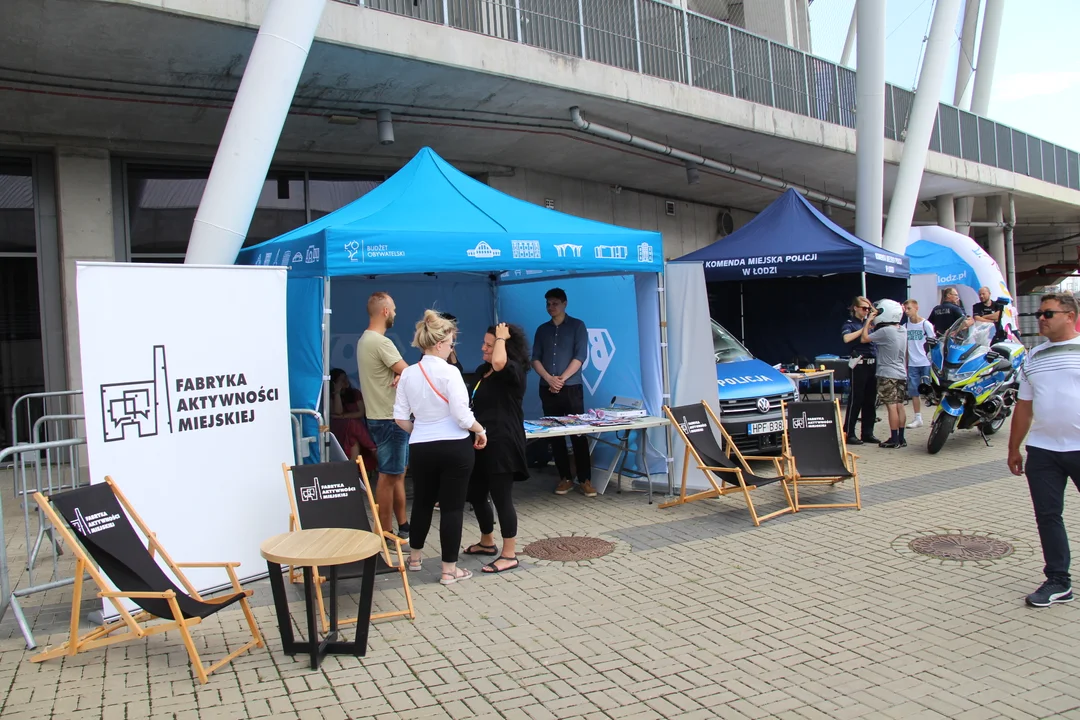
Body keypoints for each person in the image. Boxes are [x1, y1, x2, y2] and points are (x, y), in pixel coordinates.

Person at [394, 311, 488, 586]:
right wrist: (480, 430)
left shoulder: (408, 374)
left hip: (421, 447)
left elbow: (400, 417)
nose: (451, 349)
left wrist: (421, 430)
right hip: (454, 446)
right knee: (452, 508)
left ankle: (415, 558)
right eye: (450, 344)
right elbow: (462, 416)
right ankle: (449, 570)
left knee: (422, 501)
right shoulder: (451, 373)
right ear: (438, 344)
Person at [1007, 292, 1080, 607]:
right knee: (1048, 516)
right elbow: (1023, 407)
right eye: (1039, 313)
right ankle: (1058, 581)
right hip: (1043, 451)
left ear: (1070, 315)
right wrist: (1014, 449)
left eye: (1048, 313)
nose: (1040, 318)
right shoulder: (1034, 356)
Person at [464, 323, 529, 574]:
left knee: (502, 498)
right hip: (481, 441)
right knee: (477, 494)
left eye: (489, 345)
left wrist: (501, 337)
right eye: (485, 343)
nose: (483, 348)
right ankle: (487, 541)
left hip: (503, 442)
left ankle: (510, 553)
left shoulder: (512, 371)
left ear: (504, 346)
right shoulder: (483, 371)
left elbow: (501, 363)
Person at [531, 288, 596, 497]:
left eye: (555, 303)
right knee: (555, 434)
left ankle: (585, 479)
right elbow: (535, 359)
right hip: (547, 388)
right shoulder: (542, 330)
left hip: (571, 388)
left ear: (565, 303)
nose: (551, 307)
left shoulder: (577, 326)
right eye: (548, 304)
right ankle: (564, 478)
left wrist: (561, 379)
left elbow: (580, 357)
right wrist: (549, 379)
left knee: (578, 433)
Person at [357, 292, 410, 539]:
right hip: (390, 418)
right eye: (395, 309)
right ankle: (385, 531)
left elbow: (404, 373)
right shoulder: (381, 342)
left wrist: (402, 374)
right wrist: (403, 374)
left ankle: (403, 526)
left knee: (397, 473)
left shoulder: (365, 340)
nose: (396, 313)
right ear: (385, 311)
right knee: (389, 476)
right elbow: (410, 372)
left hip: (381, 416)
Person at [863, 300, 908, 448]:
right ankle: (901, 438)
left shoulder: (885, 331)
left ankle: (893, 438)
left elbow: (865, 338)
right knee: (900, 405)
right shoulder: (902, 330)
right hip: (901, 372)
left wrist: (868, 321)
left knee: (891, 406)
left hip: (887, 373)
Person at [840, 296, 879, 445]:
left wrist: (872, 312)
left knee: (870, 399)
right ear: (855, 308)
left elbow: (877, 313)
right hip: (859, 363)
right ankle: (849, 432)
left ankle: (868, 432)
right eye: (863, 308)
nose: (866, 311)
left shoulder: (869, 322)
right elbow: (846, 338)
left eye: (868, 309)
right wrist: (865, 327)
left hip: (872, 362)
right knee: (856, 398)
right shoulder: (850, 324)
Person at [328, 368, 377, 475]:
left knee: (352, 438)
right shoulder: (330, 396)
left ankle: (352, 471)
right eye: (342, 380)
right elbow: (337, 412)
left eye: (346, 378)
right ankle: (372, 448)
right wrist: (337, 393)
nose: (346, 381)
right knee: (352, 423)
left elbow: (360, 413)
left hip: (353, 429)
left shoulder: (355, 393)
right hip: (340, 428)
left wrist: (343, 416)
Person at [903, 300, 936, 429]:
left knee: (931, 391)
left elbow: (933, 343)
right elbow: (905, 346)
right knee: (914, 391)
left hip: (925, 362)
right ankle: (918, 418)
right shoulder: (905, 326)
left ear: (916, 308)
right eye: (905, 309)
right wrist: (906, 363)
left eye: (909, 308)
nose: (907, 311)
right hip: (912, 363)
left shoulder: (925, 324)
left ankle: (936, 417)